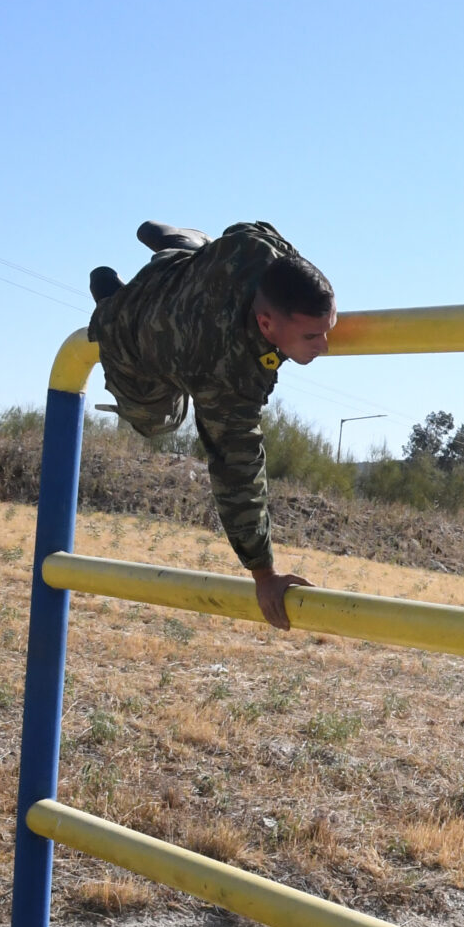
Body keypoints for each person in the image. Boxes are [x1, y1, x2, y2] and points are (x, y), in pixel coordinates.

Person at [86, 221, 337, 630]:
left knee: (201, 262)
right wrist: (263, 572)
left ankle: (182, 248)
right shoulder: (228, 372)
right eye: (312, 336)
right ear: (266, 325)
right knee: (159, 420)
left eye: (328, 327)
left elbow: (245, 228)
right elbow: (236, 467)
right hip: (140, 336)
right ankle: (111, 297)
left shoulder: (264, 252)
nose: (325, 346)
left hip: (200, 271)